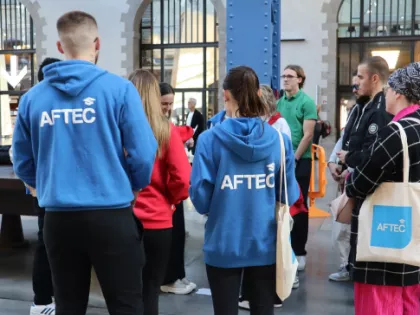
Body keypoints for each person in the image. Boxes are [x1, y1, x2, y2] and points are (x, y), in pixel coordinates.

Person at [12, 11, 157, 315]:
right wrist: (134, 186)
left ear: (60, 46)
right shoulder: (119, 90)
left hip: (59, 219)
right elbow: (144, 153)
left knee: (69, 305)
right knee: (126, 304)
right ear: (98, 43)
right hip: (111, 214)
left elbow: (22, 160)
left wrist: (38, 186)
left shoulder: (32, 99)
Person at [190, 66, 300, 315]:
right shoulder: (280, 141)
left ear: (226, 95)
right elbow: (289, 195)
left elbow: (200, 199)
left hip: (223, 241)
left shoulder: (209, 140)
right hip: (265, 242)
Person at [346, 62, 420, 315]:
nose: (386, 94)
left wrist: (350, 179)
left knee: (379, 302)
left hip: (385, 238)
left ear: (399, 93)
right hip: (416, 239)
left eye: (389, 89)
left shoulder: (396, 133)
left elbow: (360, 183)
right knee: (411, 300)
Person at [129, 70, 191, 315]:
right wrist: (171, 200)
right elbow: (183, 179)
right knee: (150, 290)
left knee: (124, 291)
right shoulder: (166, 130)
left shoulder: (116, 128)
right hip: (157, 220)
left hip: (122, 218)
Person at [238, 84, 295, 311]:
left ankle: (273, 293)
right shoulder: (272, 128)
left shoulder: (278, 125)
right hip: (269, 194)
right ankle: (255, 294)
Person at [276, 65, 318, 272]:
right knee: (282, 206)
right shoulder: (278, 103)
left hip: (300, 160)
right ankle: (284, 249)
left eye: (290, 76)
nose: (285, 79)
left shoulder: (307, 102)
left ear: (300, 79)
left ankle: (300, 251)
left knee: (299, 206)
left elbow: (308, 134)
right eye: (283, 76)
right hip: (282, 159)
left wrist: (296, 157)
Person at [159, 82, 197, 294]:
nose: (168, 107)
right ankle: (169, 278)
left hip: (166, 195)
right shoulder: (161, 127)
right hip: (165, 194)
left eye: (171, 103)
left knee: (176, 235)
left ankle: (173, 275)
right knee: (170, 238)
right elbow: (182, 176)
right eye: (164, 103)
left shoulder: (164, 125)